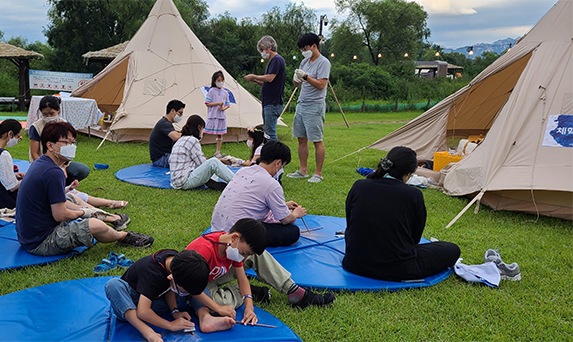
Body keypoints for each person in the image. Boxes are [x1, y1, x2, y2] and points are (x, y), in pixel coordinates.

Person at [15, 122, 153, 256]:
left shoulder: (41, 163)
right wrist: (82, 213)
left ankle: (111, 218)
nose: (71, 146)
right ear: (50, 145)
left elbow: (49, 197)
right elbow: (60, 215)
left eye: (73, 142)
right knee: (95, 225)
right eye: (66, 142)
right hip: (42, 242)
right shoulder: (53, 172)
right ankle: (123, 236)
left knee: (72, 197)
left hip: (29, 236)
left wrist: (76, 202)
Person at [187, 219, 335, 327]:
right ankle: (248, 292)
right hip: (198, 283)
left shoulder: (233, 248)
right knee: (218, 306)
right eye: (244, 253)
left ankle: (294, 291)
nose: (244, 257)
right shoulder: (204, 250)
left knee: (258, 254)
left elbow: (241, 276)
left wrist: (249, 306)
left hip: (215, 275)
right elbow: (190, 286)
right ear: (234, 238)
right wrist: (218, 308)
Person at [343, 146, 461, 281]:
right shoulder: (413, 195)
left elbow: (350, 222)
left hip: (354, 263)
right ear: (408, 174)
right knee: (452, 249)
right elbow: (414, 238)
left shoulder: (359, 186)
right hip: (398, 268)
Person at [211, 140, 305, 247]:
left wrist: (284, 205)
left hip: (218, 228)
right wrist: (296, 214)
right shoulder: (271, 184)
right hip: (238, 234)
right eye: (282, 166)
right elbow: (285, 219)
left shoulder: (243, 171)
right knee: (293, 231)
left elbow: (251, 200)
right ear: (278, 163)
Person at [104, 250, 210, 342]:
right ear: (171, 277)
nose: (187, 293)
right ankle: (146, 331)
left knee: (198, 286)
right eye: (185, 291)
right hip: (131, 305)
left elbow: (168, 288)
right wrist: (170, 325)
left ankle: (206, 316)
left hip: (155, 302)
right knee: (113, 285)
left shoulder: (176, 263)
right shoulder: (152, 272)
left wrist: (175, 311)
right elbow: (143, 312)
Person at [286, 33, 331, 183]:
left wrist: (305, 77)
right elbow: (297, 84)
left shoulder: (324, 62)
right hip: (301, 103)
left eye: (305, 48)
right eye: (301, 49)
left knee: (317, 140)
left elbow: (321, 85)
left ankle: (318, 173)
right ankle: (302, 170)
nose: (303, 51)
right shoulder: (304, 62)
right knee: (301, 139)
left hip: (315, 105)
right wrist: (296, 79)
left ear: (314, 46)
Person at [28, 95, 90, 186]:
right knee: (52, 175)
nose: (48, 117)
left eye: (52, 113)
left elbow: (69, 151)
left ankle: (65, 185)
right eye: (45, 114)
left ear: (58, 110)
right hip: (42, 163)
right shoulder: (36, 127)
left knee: (82, 169)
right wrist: (50, 167)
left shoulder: (65, 125)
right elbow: (34, 153)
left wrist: (63, 167)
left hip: (62, 162)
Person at [170, 115, 234, 190]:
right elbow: (202, 163)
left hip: (176, 181)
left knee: (215, 163)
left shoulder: (181, 140)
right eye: (203, 129)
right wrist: (221, 161)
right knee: (214, 162)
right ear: (199, 127)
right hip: (184, 181)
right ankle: (237, 182)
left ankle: (210, 181)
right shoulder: (193, 140)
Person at [244, 36, 286, 141]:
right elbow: (270, 82)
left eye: (262, 50)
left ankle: (275, 154)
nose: (262, 53)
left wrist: (254, 76)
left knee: (270, 133)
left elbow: (270, 78)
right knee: (267, 132)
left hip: (273, 103)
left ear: (269, 48)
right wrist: (258, 81)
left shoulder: (276, 60)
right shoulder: (273, 61)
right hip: (269, 102)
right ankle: (270, 154)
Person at [149, 100, 184, 168]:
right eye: (180, 113)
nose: (181, 116)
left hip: (163, 157)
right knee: (186, 160)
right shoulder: (164, 124)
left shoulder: (165, 123)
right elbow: (176, 137)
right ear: (172, 111)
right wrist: (189, 132)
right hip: (161, 159)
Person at [203, 71, 230, 157]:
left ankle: (218, 151)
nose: (220, 82)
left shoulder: (225, 92)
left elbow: (227, 105)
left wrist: (223, 108)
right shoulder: (211, 91)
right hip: (212, 116)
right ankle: (198, 149)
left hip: (221, 116)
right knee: (205, 131)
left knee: (220, 134)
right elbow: (207, 103)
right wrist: (217, 103)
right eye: (218, 80)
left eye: (222, 80)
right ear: (214, 81)